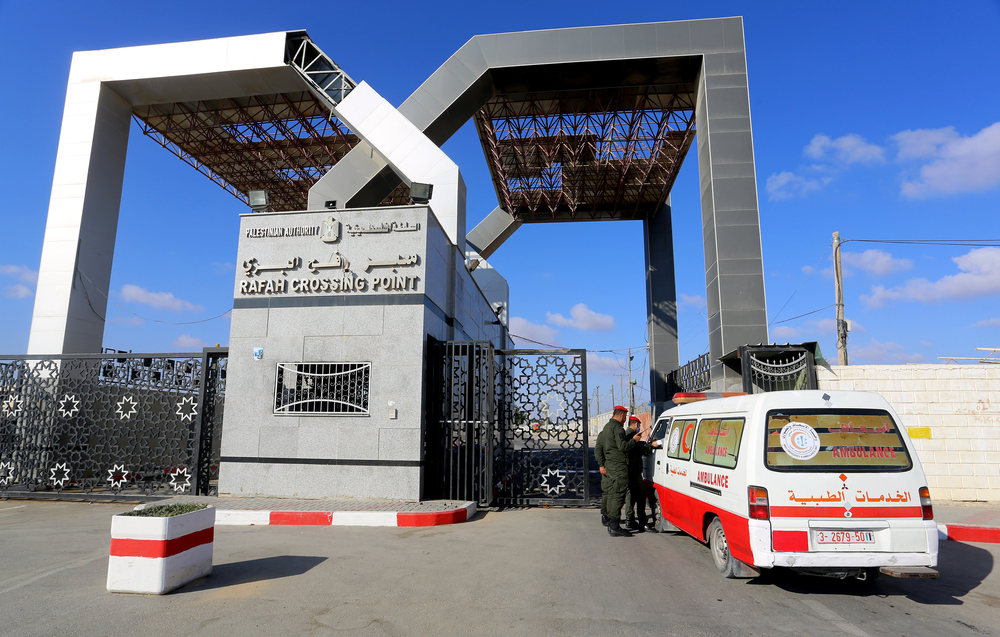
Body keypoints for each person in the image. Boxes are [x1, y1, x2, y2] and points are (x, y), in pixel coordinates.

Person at [596, 406, 640, 537]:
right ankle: (614, 526)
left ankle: (611, 522)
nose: (625, 419)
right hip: (618, 467)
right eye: (625, 416)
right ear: (621, 415)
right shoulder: (617, 428)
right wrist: (634, 440)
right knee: (618, 496)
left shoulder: (607, 428)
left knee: (611, 494)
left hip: (610, 466)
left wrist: (602, 464)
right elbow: (622, 446)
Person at [624, 416, 662, 533]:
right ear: (635, 424)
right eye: (639, 425)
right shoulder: (631, 436)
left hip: (628, 470)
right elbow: (641, 449)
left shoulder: (625, 434)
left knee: (630, 495)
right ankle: (642, 522)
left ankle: (629, 519)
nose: (639, 428)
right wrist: (651, 445)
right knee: (640, 496)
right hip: (634, 471)